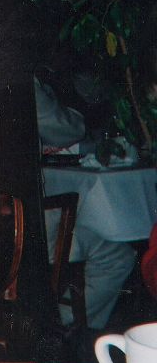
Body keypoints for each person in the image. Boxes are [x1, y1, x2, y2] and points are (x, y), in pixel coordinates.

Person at [36, 73, 136, 330]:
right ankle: (55, 324)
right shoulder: (19, 78)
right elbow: (66, 128)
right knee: (118, 257)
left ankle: (51, 323)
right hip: (25, 232)